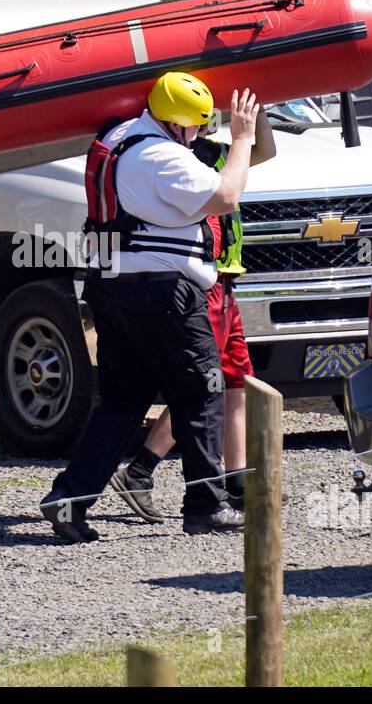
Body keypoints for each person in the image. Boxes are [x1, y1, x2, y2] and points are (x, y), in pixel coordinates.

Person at [41, 72, 260, 542]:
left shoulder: (120, 136)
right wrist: (242, 139)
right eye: (196, 127)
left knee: (121, 401)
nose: (200, 135)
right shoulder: (161, 155)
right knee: (201, 395)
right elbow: (225, 196)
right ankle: (206, 505)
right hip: (164, 294)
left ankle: (69, 499)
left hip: (114, 289)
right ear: (177, 124)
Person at [109, 108, 277, 520]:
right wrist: (239, 135)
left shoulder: (221, 152)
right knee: (204, 383)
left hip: (228, 277)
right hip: (207, 282)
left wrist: (262, 109)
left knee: (235, 379)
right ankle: (141, 470)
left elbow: (265, 151)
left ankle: (237, 479)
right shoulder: (186, 157)